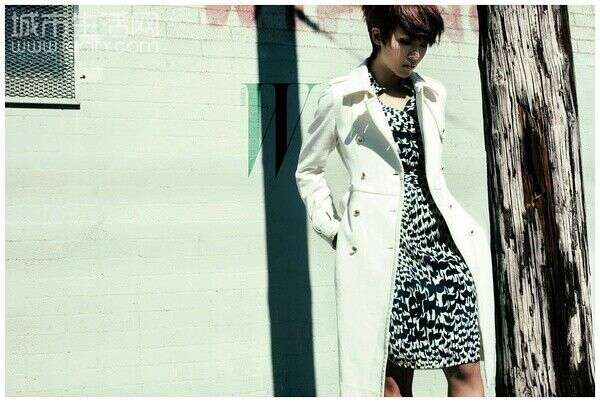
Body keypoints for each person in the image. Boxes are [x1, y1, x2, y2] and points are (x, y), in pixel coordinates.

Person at [295, 5, 496, 397]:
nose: (414, 54)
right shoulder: (342, 96)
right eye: (405, 42)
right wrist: (335, 230)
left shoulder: (432, 94)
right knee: (392, 379)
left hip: (442, 246)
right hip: (385, 250)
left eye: (423, 45)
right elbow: (309, 170)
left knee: (467, 369)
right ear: (377, 35)